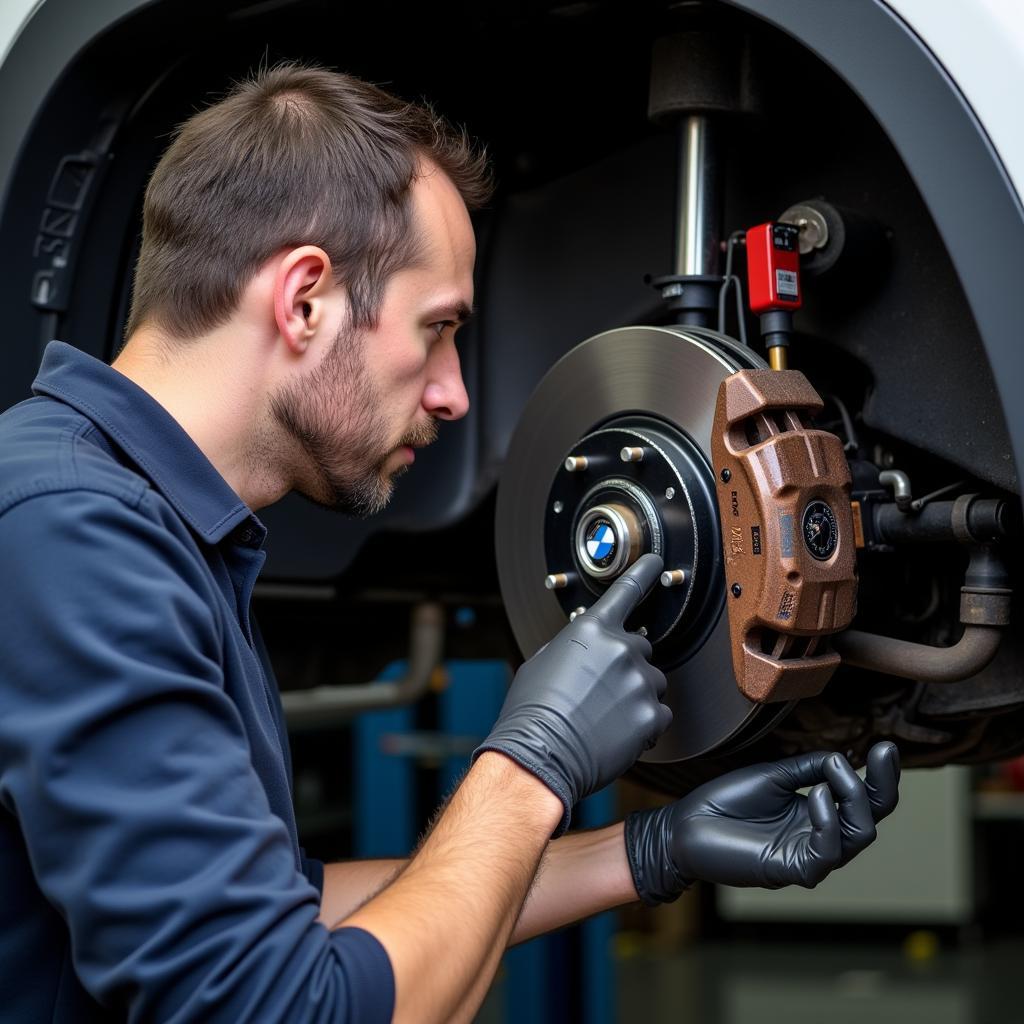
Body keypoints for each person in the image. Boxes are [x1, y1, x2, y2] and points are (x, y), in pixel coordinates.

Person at [0, 64, 900, 1024]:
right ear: (304, 299)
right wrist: (532, 762)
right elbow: (288, 1006)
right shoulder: (70, 534)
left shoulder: (139, 522)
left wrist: (649, 853)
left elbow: (286, 920)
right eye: (436, 331)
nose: (455, 394)